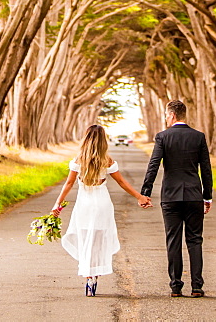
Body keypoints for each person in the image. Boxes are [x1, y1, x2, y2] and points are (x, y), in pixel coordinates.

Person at [51, 124, 152, 296]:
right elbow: (122, 183)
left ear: (86, 139)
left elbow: (68, 184)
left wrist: (57, 204)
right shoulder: (108, 161)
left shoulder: (78, 160)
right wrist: (140, 197)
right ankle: (94, 275)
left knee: (85, 239)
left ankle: (88, 275)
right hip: (102, 203)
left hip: (85, 204)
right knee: (98, 240)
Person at [140, 99, 213, 298]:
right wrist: (208, 196)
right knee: (195, 240)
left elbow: (154, 165)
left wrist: (145, 192)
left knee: (173, 240)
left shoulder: (163, 137)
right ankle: (197, 286)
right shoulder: (198, 137)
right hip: (193, 195)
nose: (165, 118)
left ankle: (176, 286)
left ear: (171, 115)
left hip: (170, 196)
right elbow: (206, 169)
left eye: (166, 115)